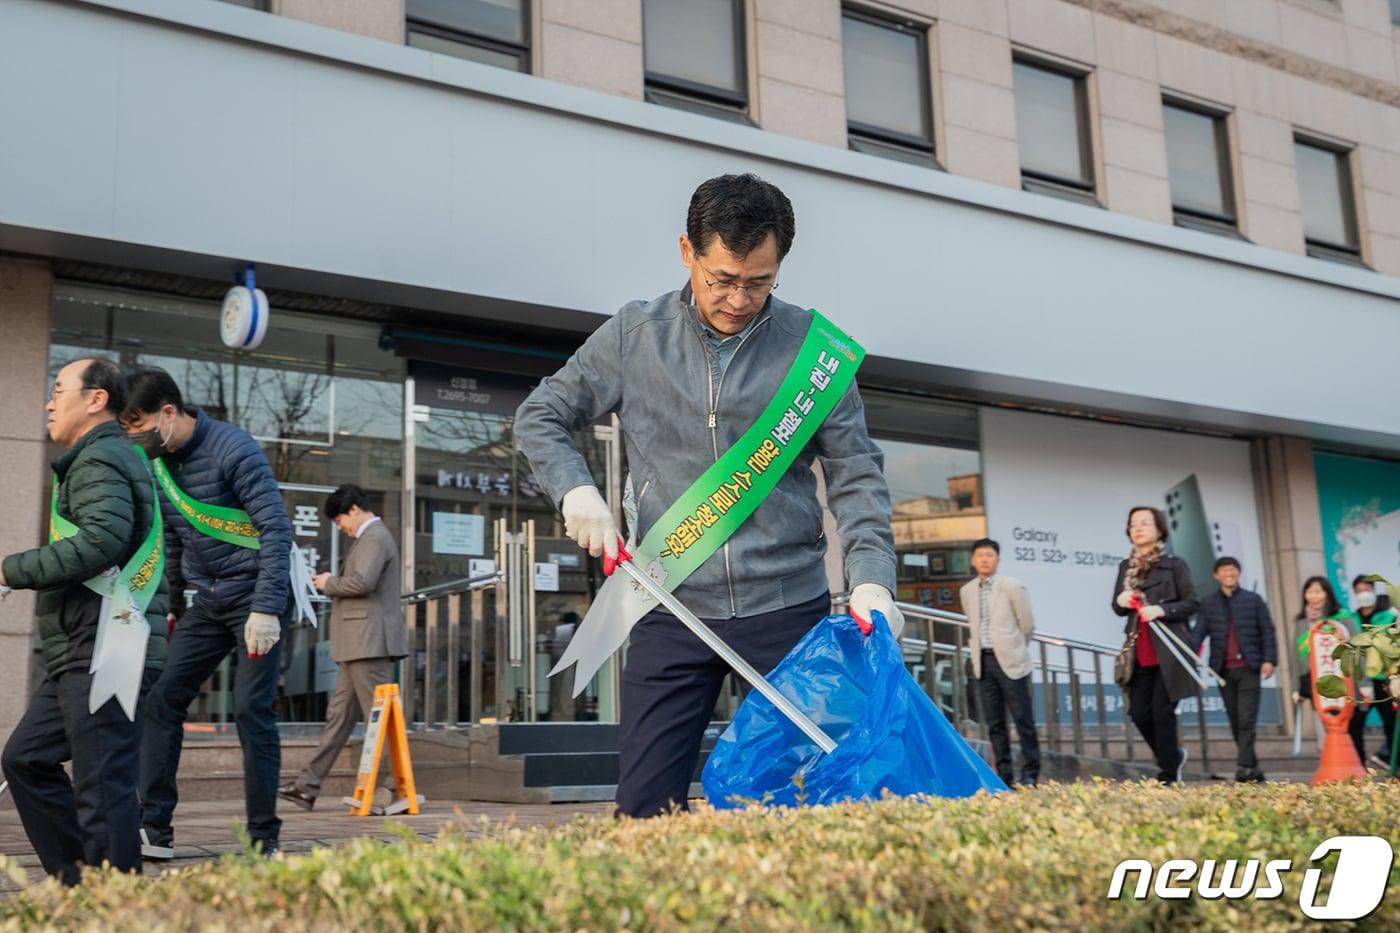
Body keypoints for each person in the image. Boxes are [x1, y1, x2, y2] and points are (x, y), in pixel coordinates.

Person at [514, 174, 900, 818]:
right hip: (672, 599)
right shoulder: (637, 335)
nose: (738, 299)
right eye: (722, 278)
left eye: (759, 282)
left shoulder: (816, 352)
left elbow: (857, 475)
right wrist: (576, 490)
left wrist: (871, 580)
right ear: (687, 252)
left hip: (789, 609)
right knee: (643, 810)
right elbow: (541, 414)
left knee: (802, 803)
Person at [0, 359, 168, 885]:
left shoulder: (100, 459)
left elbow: (100, 541)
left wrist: (10, 570)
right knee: (27, 759)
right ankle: (79, 882)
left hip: (103, 643)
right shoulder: (102, 458)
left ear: (96, 399)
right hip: (83, 643)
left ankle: (115, 903)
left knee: (103, 782)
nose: (49, 402)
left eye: (57, 390)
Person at [119, 367, 293, 858]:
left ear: (168, 413)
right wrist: (173, 608)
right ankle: (155, 829)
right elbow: (173, 539)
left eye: (139, 424)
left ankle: (264, 837)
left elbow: (276, 532)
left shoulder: (233, 449)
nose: (135, 436)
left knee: (250, 711)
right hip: (207, 602)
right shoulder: (161, 465)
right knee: (162, 700)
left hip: (257, 601)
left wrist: (265, 607)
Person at [278, 484, 407, 810]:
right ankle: (307, 785)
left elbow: (363, 582)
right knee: (339, 719)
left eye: (339, 521)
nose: (340, 528)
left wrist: (327, 583)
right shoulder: (371, 538)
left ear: (352, 509)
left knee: (382, 721)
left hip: (369, 643)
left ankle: (394, 789)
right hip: (359, 645)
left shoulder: (374, 537)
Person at [1111, 506, 1200, 785]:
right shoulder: (1126, 568)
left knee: (1162, 712)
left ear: (1159, 529)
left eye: (1144, 523)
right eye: (1133, 524)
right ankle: (1171, 756)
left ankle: (1168, 774)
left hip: (1169, 650)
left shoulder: (1175, 564)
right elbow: (1117, 607)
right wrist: (1121, 601)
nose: (1137, 528)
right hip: (1139, 650)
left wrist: (1162, 610)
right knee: (1139, 712)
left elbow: (1191, 602)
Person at [959, 538, 1039, 787]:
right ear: (973, 560)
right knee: (995, 724)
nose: (984, 559)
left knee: (1023, 719)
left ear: (998, 559)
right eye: (980, 555)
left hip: (1011, 660)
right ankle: (1005, 777)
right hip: (983, 662)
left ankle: (1030, 774)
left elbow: (1027, 624)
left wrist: (1015, 647)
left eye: (990, 555)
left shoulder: (1012, 586)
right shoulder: (967, 590)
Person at [1191, 557, 1277, 782]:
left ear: (1238, 573)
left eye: (1233, 569)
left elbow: (1267, 631)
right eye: (1224, 570)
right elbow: (1198, 633)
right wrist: (1188, 653)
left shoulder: (1253, 600)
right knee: (1235, 719)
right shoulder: (1208, 603)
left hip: (1249, 667)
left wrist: (1269, 660)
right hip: (1222, 671)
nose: (1229, 573)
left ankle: (1243, 766)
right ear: (1216, 575)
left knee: (1247, 717)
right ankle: (1254, 768)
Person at [1349, 575, 1398, 768]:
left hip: (1384, 679)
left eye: (1367, 589)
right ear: (1354, 593)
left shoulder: (1388, 617)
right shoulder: (1351, 619)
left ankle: (1394, 766)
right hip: (1361, 681)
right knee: (1355, 724)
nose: (1363, 593)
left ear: (1374, 590)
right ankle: (1358, 767)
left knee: (1392, 724)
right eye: (1359, 590)